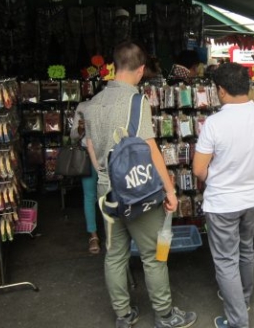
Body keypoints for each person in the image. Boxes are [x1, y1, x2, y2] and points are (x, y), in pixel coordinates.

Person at [85, 41, 197, 328]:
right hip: (137, 194)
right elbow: (150, 149)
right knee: (154, 256)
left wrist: (105, 176)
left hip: (106, 193)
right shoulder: (137, 102)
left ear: (114, 65)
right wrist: (169, 190)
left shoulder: (92, 103)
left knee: (115, 256)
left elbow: (92, 150)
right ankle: (165, 315)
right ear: (141, 69)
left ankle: (123, 315)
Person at [192, 62, 254, 328]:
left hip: (223, 202)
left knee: (226, 261)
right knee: (246, 248)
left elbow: (198, 169)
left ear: (221, 90)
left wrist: (216, 178)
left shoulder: (214, 123)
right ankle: (244, 298)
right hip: (252, 198)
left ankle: (238, 320)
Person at [70, 99, 100, 254]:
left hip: (107, 155)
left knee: (112, 194)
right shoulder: (83, 106)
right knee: (89, 195)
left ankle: (116, 233)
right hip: (87, 155)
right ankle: (93, 235)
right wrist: (80, 130)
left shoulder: (111, 103)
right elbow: (73, 135)